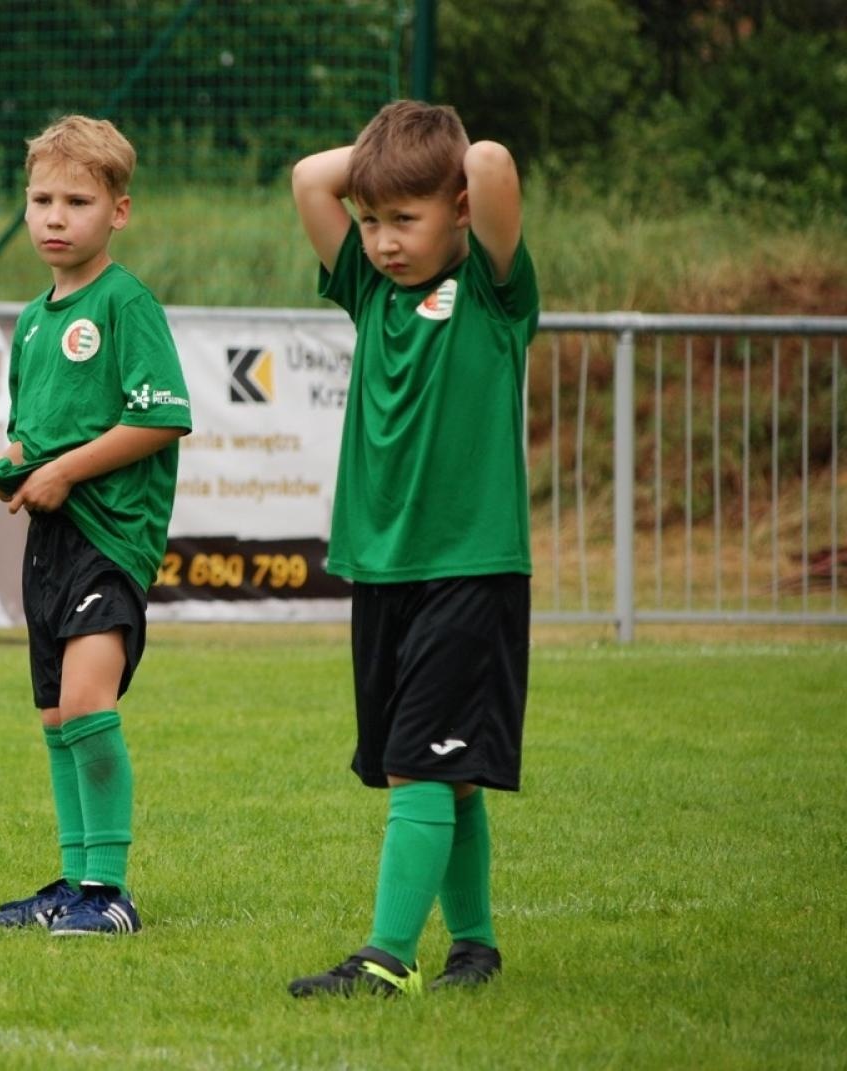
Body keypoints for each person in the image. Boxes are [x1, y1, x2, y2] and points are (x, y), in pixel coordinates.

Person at [285, 100, 540, 994]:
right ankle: (475, 946)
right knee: (449, 768)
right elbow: (309, 179)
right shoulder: (367, 288)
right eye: (372, 221)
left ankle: (385, 959)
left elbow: (498, 159)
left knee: (415, 762)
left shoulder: (495, 294)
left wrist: (439, 154)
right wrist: (391, 165)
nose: (385, 240)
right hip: (385, 566)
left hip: (471, 565)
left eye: (407, 218)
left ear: (459, 208)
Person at [0, 114, 191, 937]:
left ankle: (110, 890)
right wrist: (17, 466)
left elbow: (162, 418)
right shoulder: (33, 322)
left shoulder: (125, 303)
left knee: (88, 700)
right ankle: (71, 881)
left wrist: (64, 471)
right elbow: (36, 430)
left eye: (76, 200)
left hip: (111, 537)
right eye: (40, 199)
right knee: (56, 715)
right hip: (50, 545)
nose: (55, 217)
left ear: (119, 212)